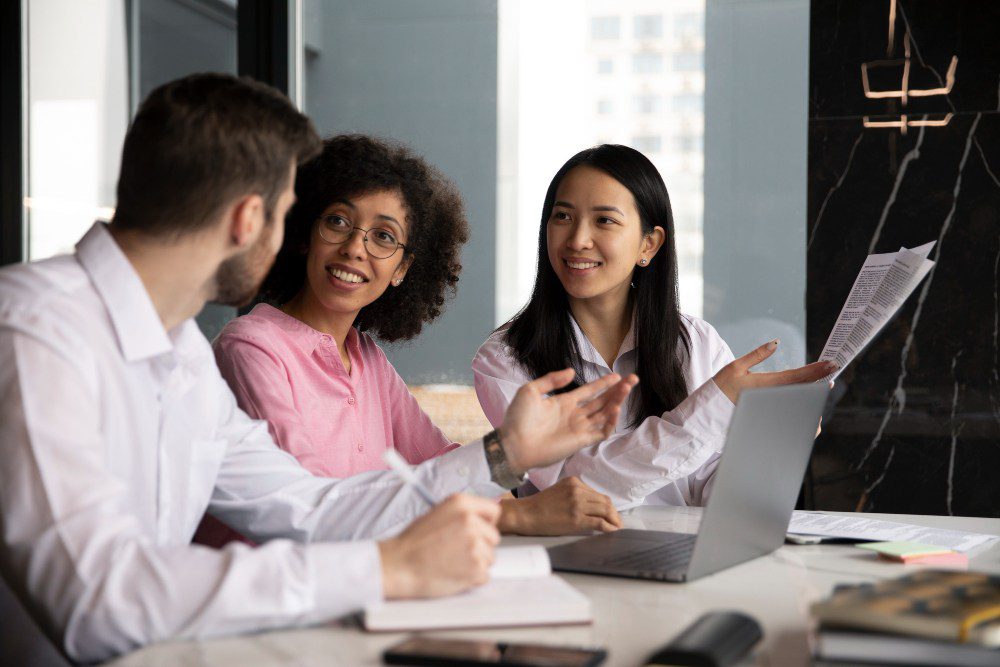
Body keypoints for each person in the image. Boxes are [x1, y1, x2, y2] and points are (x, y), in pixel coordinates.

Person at [0, 74, 637, 662]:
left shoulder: (181, 352)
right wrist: (386, 569)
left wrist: (507, 453)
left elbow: (308, 507)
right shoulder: (33, 331)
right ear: (249, 219)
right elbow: (95, 598)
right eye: (290, 214)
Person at [195, 135, 622, 549]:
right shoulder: (250, 348)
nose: (354, 248)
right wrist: (516, 509)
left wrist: (522, 486)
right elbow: (316, 508)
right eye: (338, 221)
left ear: (402, 269)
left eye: (383, 236)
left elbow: (437, 460)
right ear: (306, 233)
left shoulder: (366, 358)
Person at [473, 144, 834, 509]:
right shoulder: (506, 357)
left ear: (649, 244)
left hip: (684, 544)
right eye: (563, 216)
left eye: (604, 220)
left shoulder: (697, 343)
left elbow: (718, 496)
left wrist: (774, 447)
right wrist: (709, 410)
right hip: (572, 546)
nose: (578, 240)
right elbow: (578, 487)